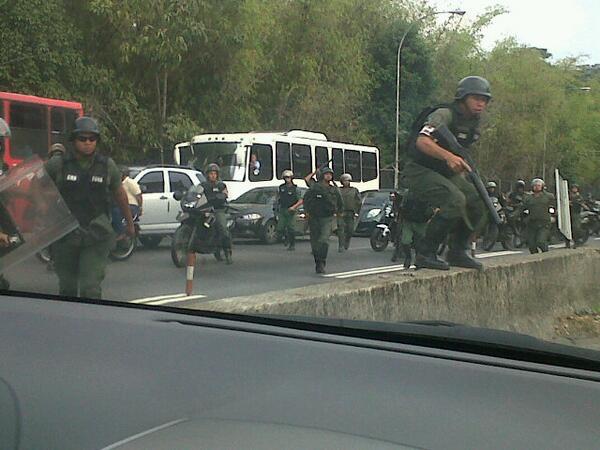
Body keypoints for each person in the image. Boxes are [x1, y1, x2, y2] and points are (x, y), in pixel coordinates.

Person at [401, 76, 492, 271]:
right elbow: (422, 141)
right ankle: (426, 252)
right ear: (463, 97)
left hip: (444, 171)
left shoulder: (472, 123)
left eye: (484, 99)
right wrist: (448, 157)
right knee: (455, 199)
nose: (480, 103)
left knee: (478, 200)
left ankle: (457, 251)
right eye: (476, 97)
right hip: (419, 169)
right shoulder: (444, 114)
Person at [45, 116, 134, 298]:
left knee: (90, 288)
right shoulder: (58, 164)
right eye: (82, 139)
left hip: (96, 232)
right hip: (65, 235)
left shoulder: (107, 166)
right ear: (73, 140)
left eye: (92, 139)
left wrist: (130, 224)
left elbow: (120, 194)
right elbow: (36, 188)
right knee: (67, 289)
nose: (87, 143)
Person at [303, 167, 342, 274]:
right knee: (315, 244)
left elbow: (340, 202)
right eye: (326, 174)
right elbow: (306, 199)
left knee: (324, 241)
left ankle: (322, 262)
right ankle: (318, 263)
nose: (328, 176)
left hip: (327, 217)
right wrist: (306, 212)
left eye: (330, 174)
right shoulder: (315, 187)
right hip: (314, 217)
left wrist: (339, 213)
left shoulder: (334, 189)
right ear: (322, 175)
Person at [201, 163, 232, 264]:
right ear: (207, 175)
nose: (213, 175)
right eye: (211, 173)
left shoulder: (221, 185)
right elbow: (196, 193)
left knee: (223, 229)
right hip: (205, 210)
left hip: (218, 210)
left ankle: (227, 253)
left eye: (215, 173)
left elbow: (225, 194)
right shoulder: (203, 185)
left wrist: (221, 196)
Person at [522, 178, 555, 254]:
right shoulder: (528, 198)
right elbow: (522, 208)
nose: (537, 187)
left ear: (542, 186)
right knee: (531, 245)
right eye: (535, 185)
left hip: (544, 223)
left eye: (539, 185)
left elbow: (554, 207)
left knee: (541, 241)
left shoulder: (548, 196)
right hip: (532, 223)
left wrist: (553, 216)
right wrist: (513, 215)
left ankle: (546, 256)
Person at [275, 170, 303, 251]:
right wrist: (276, 206)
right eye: (285, 177)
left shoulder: (296, 188)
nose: (287, 179)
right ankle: (286, 237)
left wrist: (294, 207)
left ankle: (292, 244)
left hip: (291, 210)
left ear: (291, 178)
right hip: (282, 209)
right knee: (280, 228)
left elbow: (300, 200)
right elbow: (277, 197)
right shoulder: (281, 187)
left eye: (289, 177)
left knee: (291, 228)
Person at [337, 173, 361, 252]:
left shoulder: (354, 190)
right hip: (341, 212)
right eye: (344, 180)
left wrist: (357, 211)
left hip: (351, 212)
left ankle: (347, 242)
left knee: (350, 230)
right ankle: (341, 245)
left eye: (347, 180)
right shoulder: (338, 190)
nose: (346, 182)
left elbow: (358, 201)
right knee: (341, 230)